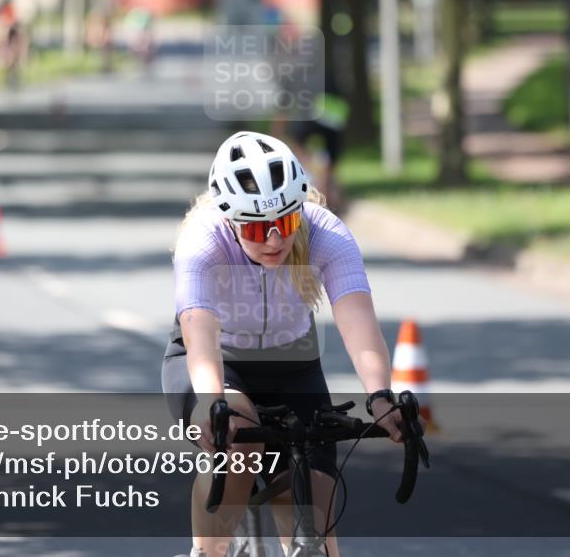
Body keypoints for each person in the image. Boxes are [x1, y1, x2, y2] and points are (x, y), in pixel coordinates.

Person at [162, 131, 409, 557]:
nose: (274, 239)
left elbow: (357, 320)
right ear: (230, 217)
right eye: (257, 228)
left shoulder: (325, 232)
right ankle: (208, 550)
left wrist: (381, 396)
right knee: (237, 443)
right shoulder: (203, 240)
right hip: (215, 364)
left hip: (292, 368)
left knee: (316, 516)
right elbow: (198, 328)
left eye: (286, 222)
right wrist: (210, 401)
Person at [288, 75, 349, 212]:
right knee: (325, 166)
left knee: (323, 168)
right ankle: (327, 193)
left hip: (326, 108)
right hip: (331, 108)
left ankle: (326, 194)